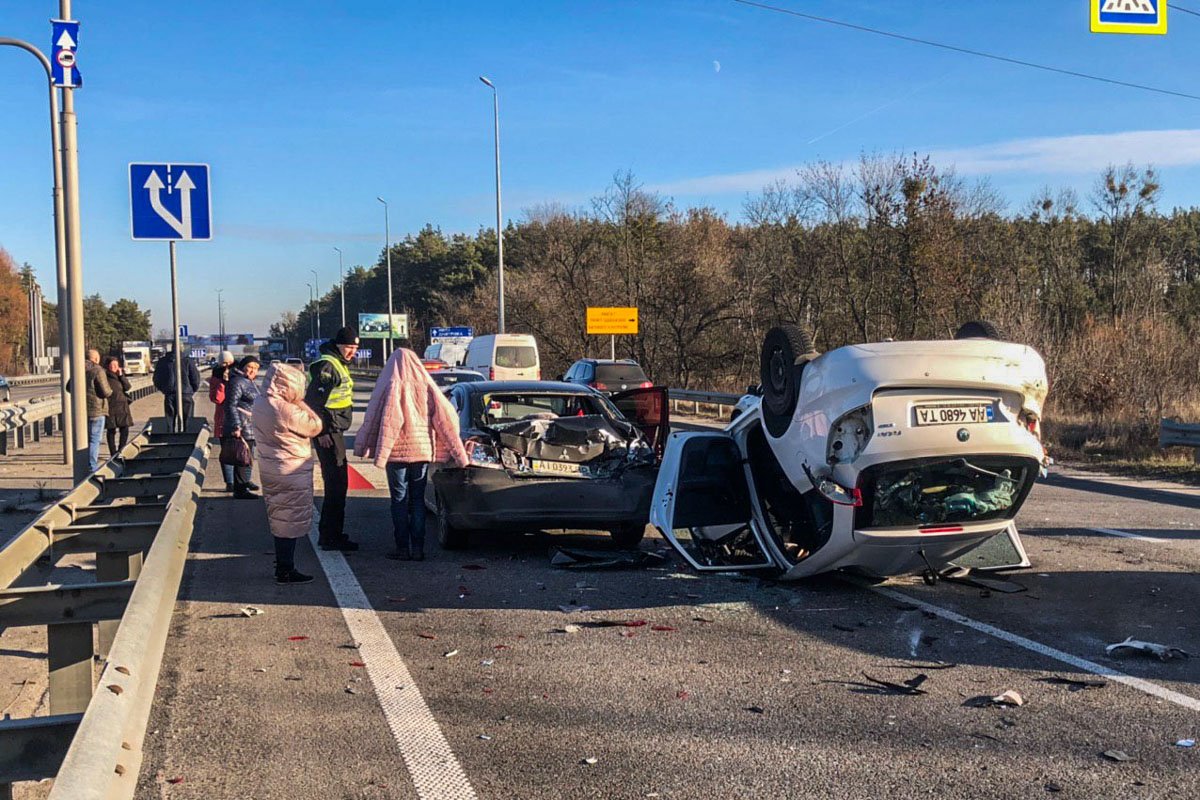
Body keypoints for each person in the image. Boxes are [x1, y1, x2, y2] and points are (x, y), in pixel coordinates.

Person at [355, 347, 468, 561]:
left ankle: (402, 548)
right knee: (417, 501)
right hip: (422, 452)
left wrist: (363, 446)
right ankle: (418, 549)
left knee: (399, 499)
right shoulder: (427, 386)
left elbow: (377, 418)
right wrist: (459, 454)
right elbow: (446, 419)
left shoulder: (390, 385)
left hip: (396, 453)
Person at [251, 363, 324, 584]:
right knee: (288, 520)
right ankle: (286, 568)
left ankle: (283, 564)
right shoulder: (285, 409)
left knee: (280, 515)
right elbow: (315, 426)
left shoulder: (260, 402)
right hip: (291, 469)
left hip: (271, 466)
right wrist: (302, 403)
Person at [305, 327, 360, 552]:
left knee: (338, 485)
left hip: (334, 431)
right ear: (338, 345)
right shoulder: (328, 365)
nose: (352, 352)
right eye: (348, 347)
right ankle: (329, 536)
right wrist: (322, 432)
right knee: (336, 486)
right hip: (329, 433)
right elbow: (313, 403)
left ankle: (332, 533)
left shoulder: (337, 364)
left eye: (355, 348)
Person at [224, 355, 262, 499]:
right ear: (243, 367)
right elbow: (230, 405)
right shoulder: (237, 382)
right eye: (250, 367)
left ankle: (245, 482)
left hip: (250, 424)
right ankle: (240, 489)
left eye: (256, 368)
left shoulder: (249, 382)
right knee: (242, 457)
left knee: (248, 456)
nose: (253, 371)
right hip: (242, 424)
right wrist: (236, 425)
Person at [208, 351, 236, 491]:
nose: (226, 367)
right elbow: (217, 399)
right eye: (224, 364)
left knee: (242, 451)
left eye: (229, 363)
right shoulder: (215, 378)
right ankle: (229, 482)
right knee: (226, 452)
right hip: (223, 419)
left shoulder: (238, 376)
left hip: (239, 419)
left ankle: (242, 481)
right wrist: (223, 384)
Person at [153, 347, 202, 425]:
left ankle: (169, 436)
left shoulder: (163, 361)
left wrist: (164, 389)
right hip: (186, 394)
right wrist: (191, 391)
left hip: (169, 394)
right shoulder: (188, 361)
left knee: (169, 422)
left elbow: (157, 379)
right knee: (188, 422)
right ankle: (187, 436)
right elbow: (195, 379)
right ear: (182, 349)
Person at [84, 348, 113, 473]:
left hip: (81, 410)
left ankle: (84, 464)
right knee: (94, 439)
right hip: (96, 409)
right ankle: (92, 467)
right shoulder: (98, 370)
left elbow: (69, 387)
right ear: (96, 359)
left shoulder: (78, 368)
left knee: (84, 440)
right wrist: (111, 391)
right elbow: (105, 391)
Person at [103, 355, 133, 457]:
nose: (115, 367)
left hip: (122, 406)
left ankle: (121, 449)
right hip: (111, 405)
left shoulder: (120, 376)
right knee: (111, 430)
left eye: (116, 365)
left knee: (124, 428)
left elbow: (127, 387)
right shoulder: (105, 376)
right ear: (108, 366)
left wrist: (121, 376)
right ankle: (113, 451)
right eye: (112, 365)